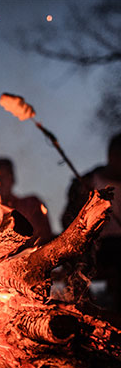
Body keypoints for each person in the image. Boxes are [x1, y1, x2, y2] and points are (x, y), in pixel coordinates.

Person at [61, 132, 121, 312]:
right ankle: (79, 310)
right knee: (78, 256)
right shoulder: (88, 182)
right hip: (94, 243)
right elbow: (68, 218)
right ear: (111, 155)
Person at [0, 157, 53, 245]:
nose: (1, 182)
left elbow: (45, 236)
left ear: (12, 178)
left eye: (5, 176)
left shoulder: (31, 204)